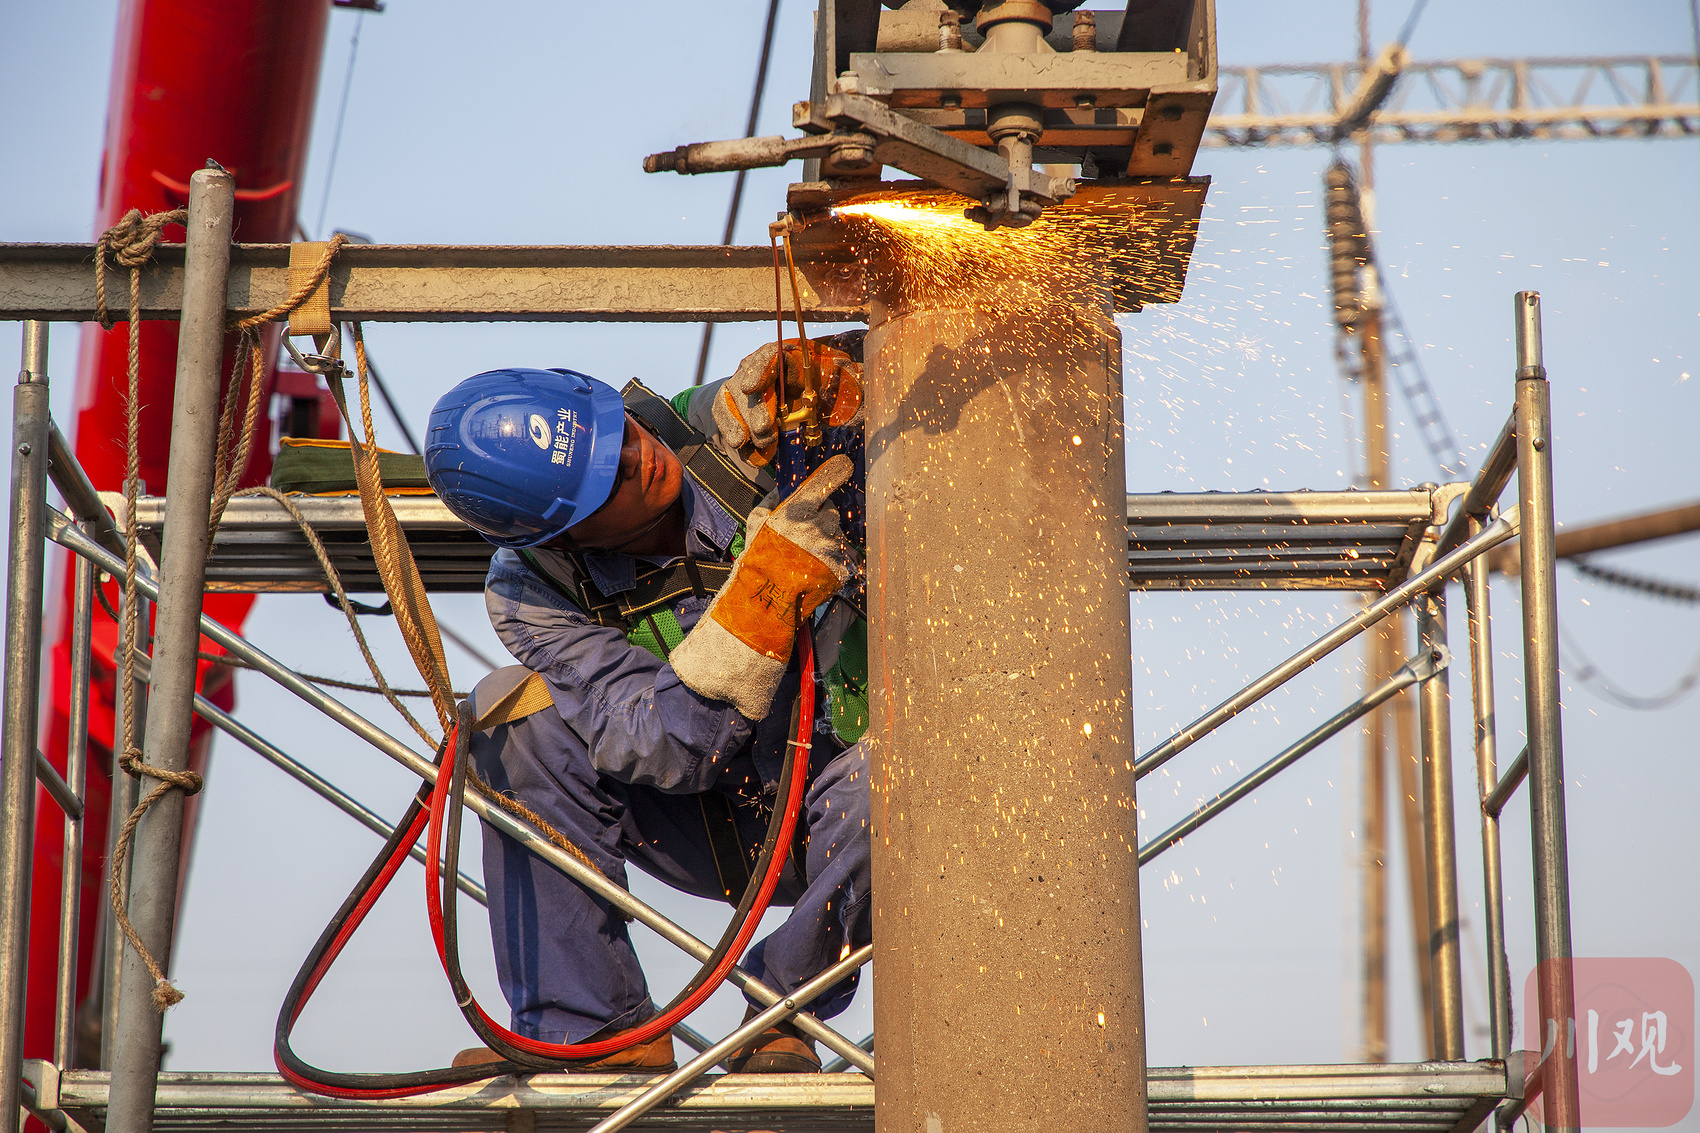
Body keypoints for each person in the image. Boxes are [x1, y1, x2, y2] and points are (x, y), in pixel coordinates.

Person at [423, 339, 870, 1074]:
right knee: (510, 718)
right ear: (562, 535)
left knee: (896, 771)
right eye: (609, 479)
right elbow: (661, 745)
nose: (640, 459)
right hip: (715, 826)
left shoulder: (724, 427)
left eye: (619, 432)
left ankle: (783, 1012)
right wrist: (757, 608)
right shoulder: (533, 589)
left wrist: (853, 387)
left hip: (850, 808)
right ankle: (594, 1032)